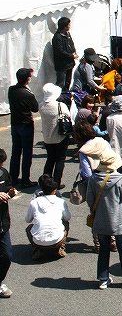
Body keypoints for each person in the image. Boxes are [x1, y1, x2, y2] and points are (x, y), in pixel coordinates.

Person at [86, 147, 122, 289]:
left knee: (104, 250)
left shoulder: (93, 179)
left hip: (101, 219)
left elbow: (90, 199)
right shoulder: (120, 179)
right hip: (119, 220)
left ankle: (103, 279)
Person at [24, 174, 70, 260]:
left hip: (38, 241)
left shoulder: (34, 202)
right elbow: (68, 218)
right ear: (55, 190)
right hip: (57, 240)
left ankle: (37, 249)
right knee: (66, 223)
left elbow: (28, 220)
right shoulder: (61, 202)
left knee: (29, 228)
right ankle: (61, 247)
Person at [8, 68, 38, 188]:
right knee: (26, 154)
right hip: (25, 125)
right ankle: (25, 179)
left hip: (15, 124)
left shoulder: (12, 90)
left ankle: (13, 178)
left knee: (15, 152)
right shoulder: (27, 94)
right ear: (28, 79)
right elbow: (35, 108)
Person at [38, 83, 70, 189]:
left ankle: (45, 181)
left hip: (47, 137)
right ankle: (56, 182)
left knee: (50, 159)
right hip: (60, 136)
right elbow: (68, 117)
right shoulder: (60, 105)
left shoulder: (41, 105)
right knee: (60, 160)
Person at [0, 149, 14, 298]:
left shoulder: (3, 173)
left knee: (7, 255)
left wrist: (11, 191)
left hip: (3, 222)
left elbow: (8, 185)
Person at [51, 16, 77, 91]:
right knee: (60, 84)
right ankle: (59, 99)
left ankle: (66, 97)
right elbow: (60, 51)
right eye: (68, 25)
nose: (69, 26)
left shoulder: (67, 34)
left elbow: (71, 44)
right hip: (62, 65)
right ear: (64, 26)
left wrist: (74, 52)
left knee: (68, 82)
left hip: (69, 64)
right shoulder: (57, 37)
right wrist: (71, 56)